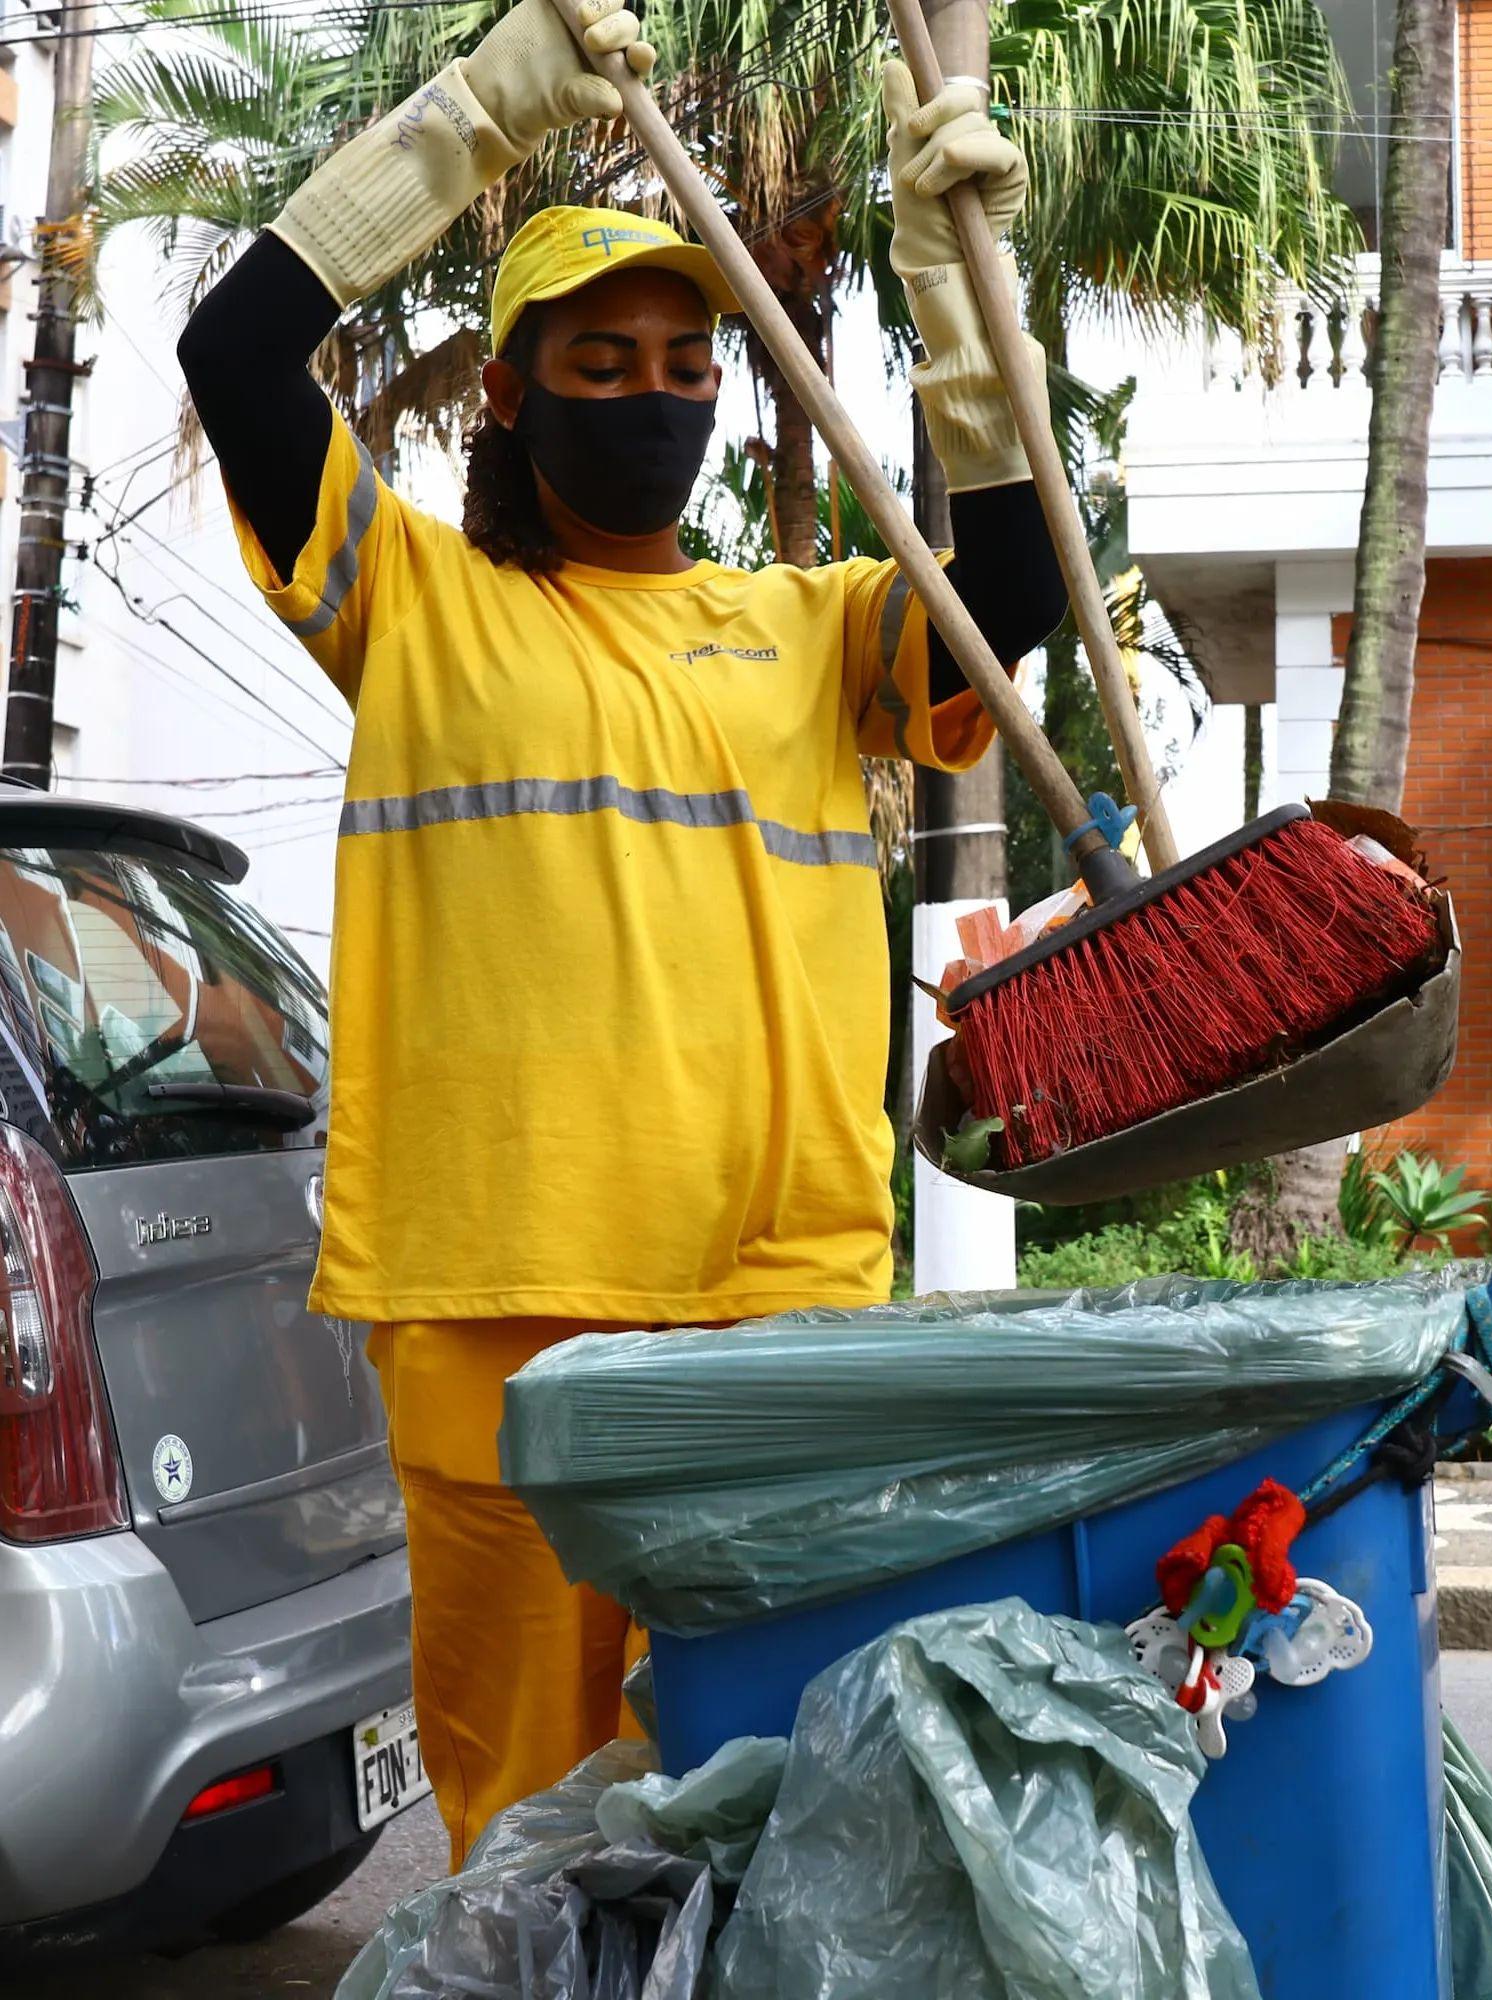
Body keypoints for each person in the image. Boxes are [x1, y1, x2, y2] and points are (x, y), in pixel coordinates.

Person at [178, 0, 1066, 1868]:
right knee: (527, 1834)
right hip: (496, 1310)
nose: (654, 389)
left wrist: (958, 296)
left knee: (784, 1813)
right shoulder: (410, 604)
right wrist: (488, 107)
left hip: (773, 1303)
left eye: (685, 358)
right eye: (601, 358)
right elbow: (238, 346)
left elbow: (1007, 591)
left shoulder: (822, 628)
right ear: (507, 390)